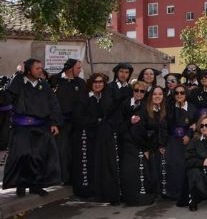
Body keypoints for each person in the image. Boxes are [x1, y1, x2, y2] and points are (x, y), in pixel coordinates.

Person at [2, 58, 62, 197]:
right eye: (37, 68)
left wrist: (54, 122)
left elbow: (53, 104)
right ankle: (21, 185)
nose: (41, 70)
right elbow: (8, 96)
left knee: (38, 157)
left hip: (40, 126)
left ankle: (36, 186)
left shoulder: (44, 85)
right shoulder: (19, 83)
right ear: (29, 70)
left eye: (41, 68)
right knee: (22, 156)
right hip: (21, 127)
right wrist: (18, 74)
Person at [73, 73, 121, 203]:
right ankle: (86, 190)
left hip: (100, 136)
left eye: (101, 82)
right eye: (95, 82)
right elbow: (78, 116)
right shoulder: (84, 97)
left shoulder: (104, 97)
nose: (98, 84)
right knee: (86, 163)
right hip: (85, 136)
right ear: (91, 83)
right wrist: (95, 121)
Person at [50, 58, 85, 185]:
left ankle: (72, 178)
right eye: (78, 68)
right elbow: (51, 103)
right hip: (60, 124)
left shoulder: (81, 83)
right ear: (70, 68)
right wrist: (53, 122)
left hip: (76, 124)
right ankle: (61, 178)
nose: (80, 70)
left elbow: (83, 103)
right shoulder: (55, 80)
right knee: (61, 151)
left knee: (74, 151)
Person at [119, 80, 154, 206]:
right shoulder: (125, 104)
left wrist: (146, 147)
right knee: (128, 172)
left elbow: (150, 126)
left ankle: (144, 199)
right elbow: (119, 124)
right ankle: (129, 198)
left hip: (142, 144)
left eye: (142, 91)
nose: (139, 93)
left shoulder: (147, 106)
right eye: (136, 90)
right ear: (132, 91)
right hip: (128, 144)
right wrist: (130, 121)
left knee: (143, 173)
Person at [132, 87, 169, 199]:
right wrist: (145, 149)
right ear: (150, 96)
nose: (157, 96)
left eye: (160, 94)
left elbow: (164, 129)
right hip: (147, 148)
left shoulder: (163, 110)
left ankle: (161, 193)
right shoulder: (143, 110)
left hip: (159, 147)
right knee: (149, 174)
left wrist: (162, 144)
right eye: (154, 94)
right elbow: (137, 131)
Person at [166, 84, 198, 206]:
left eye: (182, 93)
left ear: (186, 94)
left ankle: (189, 192)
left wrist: (189, 134)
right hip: (173, 141)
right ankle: (175, 193)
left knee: (187, 166)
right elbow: (167, 124)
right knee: (174, 167)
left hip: (188, 141)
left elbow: (195, 123)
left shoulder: (192, 107)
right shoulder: (169, 107)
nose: (179, 95)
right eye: (177, 93)